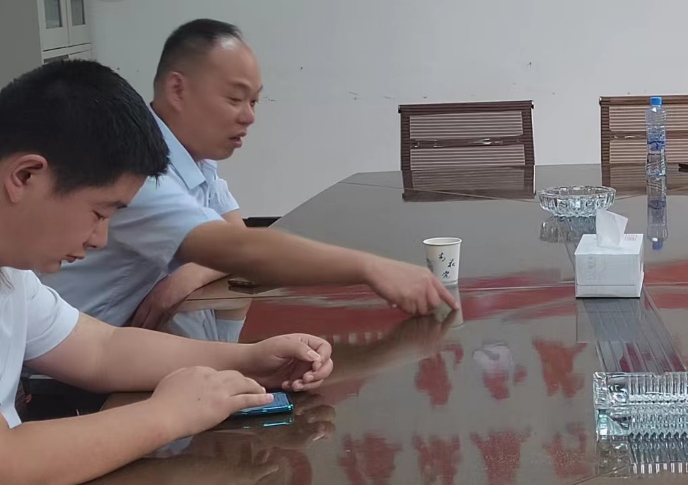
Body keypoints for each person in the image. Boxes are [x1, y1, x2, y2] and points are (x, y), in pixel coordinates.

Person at [0, 60, 334, 485]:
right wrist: (166, 415)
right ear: (26, 176)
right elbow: (6, 471)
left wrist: (251, 360)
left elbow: (100, 349)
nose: (99, 238)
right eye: (99, 212)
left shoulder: (12, 270)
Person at [45, 20, 455, 330]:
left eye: (254, 102)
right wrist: (372, 268)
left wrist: (192, 271)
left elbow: (234, 235)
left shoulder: (192, 155)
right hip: (75, 376)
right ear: (177, 90)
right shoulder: (139, 171)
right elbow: (244, 250)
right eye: (234, 98)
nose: (249, 117)